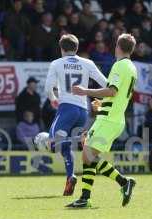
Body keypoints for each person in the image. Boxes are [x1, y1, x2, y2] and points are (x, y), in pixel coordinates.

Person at [67, 33, 138, 208]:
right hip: (113, 117)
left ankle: (123, 182)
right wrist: (103, 104)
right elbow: (118, 95)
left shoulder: (119, 66)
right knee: (88, 155)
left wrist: (85, 91)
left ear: (117, 47)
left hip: (109, 120)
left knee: (87, 155)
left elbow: (112, 91)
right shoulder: (131, 67)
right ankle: (85, 198)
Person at [43, 34, 107, 196]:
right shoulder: (87, 63)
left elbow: (47, 88)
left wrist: (53, 99)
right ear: (77, 48)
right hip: (83, 111)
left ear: (61, 48)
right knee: (65, 147)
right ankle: (70, 176)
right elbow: (106, 83)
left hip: (67, 109)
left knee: (51, 143)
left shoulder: (57, 63)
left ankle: (79, 139)